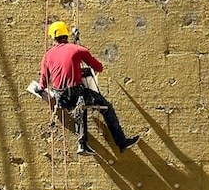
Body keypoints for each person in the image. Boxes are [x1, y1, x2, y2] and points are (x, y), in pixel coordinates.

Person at [38, 20, 139, 156]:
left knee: (81, 107)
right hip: (76, 93)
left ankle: (82, 144)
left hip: (61, 98)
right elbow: (99, 67)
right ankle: (121, 142)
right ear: (66, 35)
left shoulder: (47, 56)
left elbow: (42, 85)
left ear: (52, 37)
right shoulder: (77, 49)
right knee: (105, 106)